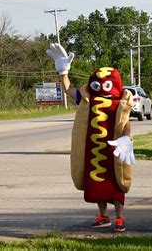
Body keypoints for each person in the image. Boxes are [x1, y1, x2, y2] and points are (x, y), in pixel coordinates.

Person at [47, 43, 136, 232]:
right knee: (96, 183)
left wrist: (126, 138)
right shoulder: (88, 98)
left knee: (116, 183)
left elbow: (126, 122)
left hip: (114, 148)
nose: (101, 87)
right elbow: (69, 90)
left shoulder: (120, 101)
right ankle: (103, 216)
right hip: (92, 149)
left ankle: (120, 218)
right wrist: (63, 71)